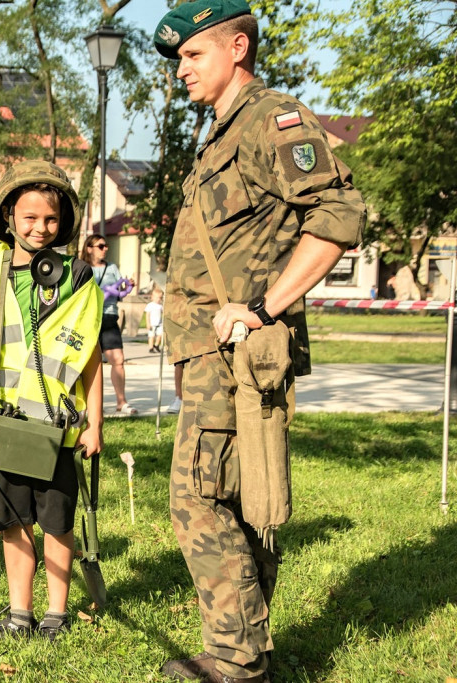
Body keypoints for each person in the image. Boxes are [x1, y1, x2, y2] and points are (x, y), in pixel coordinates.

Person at [152, 2, 365, 681]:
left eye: (192, 55)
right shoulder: (221, 134)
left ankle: (237, 659)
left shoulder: (274, 119)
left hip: (239, 352)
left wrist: (261, 306)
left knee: (196, 497)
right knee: (240, 498)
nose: (180, 70)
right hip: (212, 356)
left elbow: (338, 214)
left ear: (237, 47)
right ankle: (248, 651)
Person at [0, 160, 103, 642]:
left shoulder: (79, 276)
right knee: (13, 521)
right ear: (8, 219)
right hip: (2, 416)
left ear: (63, 223)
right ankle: (20, 613)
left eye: (51, 219)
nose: (41, 228)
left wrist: (95, 421)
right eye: (30, 218)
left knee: (56, 521)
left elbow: (91, 355)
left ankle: (55, 615)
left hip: (56, 422)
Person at [80, 234, 137, 415]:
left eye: (106, 246)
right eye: (101, 246)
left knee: (118, 360)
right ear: (89, 248)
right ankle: (87, 405)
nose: (105, 249)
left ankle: (121, 401)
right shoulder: (82, 267)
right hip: (88, 318)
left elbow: (120, 293)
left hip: (109, 316)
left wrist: (127, 287)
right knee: (87, 363)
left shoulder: (112, 268)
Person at [144, 287, 164, 354]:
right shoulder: (150, 305)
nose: (159, 299)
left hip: (159, 323)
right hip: (152, 323)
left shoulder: (160, 306)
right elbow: (147, 315)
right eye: (157, 297)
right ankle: (151, 348)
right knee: (151, 336)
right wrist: (148, 323)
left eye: (160, 298)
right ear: (152, 297)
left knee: (160, 335)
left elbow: (163, 313)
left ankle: (156, 345)